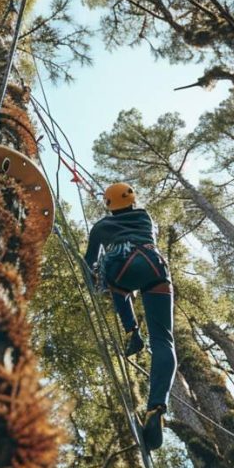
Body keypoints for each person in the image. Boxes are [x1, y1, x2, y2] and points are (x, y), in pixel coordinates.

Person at [84, 182, 177, 451]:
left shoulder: (101, 227)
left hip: (122, 268)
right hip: (153, 265)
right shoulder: (145, 216)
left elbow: (89, 261)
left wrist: (93, 278)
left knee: (115, 285)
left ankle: (131, 330)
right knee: (163, 341)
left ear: (108, 205)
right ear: (132, 199)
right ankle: (156, 408)